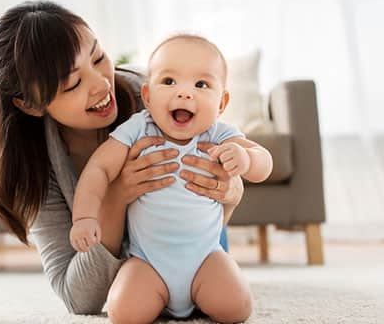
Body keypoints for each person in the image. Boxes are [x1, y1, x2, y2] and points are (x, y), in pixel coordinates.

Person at [0, 0, 249, 321]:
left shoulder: (155, 101)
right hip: (137, 277)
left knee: (229, 299)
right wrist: (115, 198)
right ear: (30, 104)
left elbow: (224, 174)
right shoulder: (35, 167)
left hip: (198, 243)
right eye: (73, 83)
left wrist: (231, 191)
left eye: (98, 57)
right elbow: (79, 299)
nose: (100, 84)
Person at [69, 34, 273, 322]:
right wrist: (85, 217)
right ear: (148, 97)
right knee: (124, 313)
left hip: (206, 258)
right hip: (148, 263)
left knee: (236, 308)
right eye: (169, 82)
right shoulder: (139, 128)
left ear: (222, 102)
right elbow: (98, 169)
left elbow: (264, 162)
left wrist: (247, 158)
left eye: (201, 84)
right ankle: (159, 297)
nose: (185, 93)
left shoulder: (219, 134)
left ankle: (201, 293)